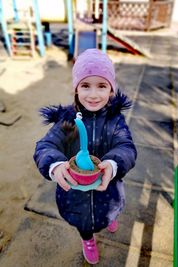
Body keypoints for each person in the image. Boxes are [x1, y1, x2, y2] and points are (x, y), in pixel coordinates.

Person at [33, 48, 137, 265]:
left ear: (111, 90)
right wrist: (55, 165)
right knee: (84, 224)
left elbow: (125, 146)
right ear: (76, 88)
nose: (93, 94)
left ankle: (109, 219)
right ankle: (87, 240)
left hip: (107, 191)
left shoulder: (114, 121)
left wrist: (112, 163)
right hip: (74, 195)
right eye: (85, 85)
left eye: (101, 86)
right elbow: (46, 145)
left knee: (109, 212)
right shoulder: (67, 121)